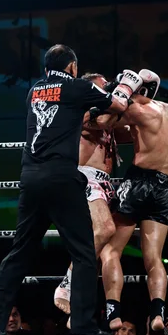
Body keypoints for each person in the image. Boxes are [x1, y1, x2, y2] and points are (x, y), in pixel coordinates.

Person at [0, 44, 143, 335]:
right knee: (83, 254)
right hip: (62, 177)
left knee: (19, 253)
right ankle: (82, 326)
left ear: (46, 69)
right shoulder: (76, 86)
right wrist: (126, 84)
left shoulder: (34, 91)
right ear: (72, 67)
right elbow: (118, 107)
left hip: (30, 177)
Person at [89, 69, 168, 335]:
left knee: (110, 251)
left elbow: (102, 121)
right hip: (164, 186)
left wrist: (117, 94)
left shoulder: (135, 111)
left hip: (138, 183)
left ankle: (113, 313)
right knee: (153, 259)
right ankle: (158, 314)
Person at [53, 72, 120, 319]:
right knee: (105, 230)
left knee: (98, 250)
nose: (105, 92)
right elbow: (102, 120)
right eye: (101, 88)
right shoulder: (81, 114)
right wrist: (122, 92)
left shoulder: (107, 116)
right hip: (85, 178)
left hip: (104, 184)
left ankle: (79, 316)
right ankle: (66, 285)